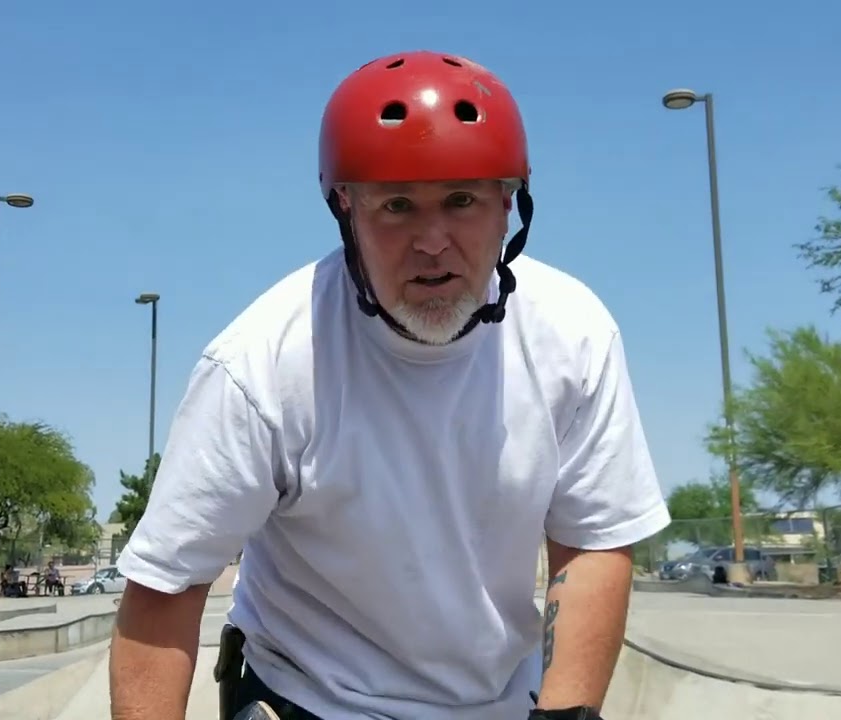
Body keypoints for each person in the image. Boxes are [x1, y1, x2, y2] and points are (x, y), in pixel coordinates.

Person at [109, 49, 671, 720]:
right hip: (310, 697)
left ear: (506, 205)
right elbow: (167, 588)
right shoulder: (262, 363)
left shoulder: (574, 337)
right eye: (398, 206)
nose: (432, 242)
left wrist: (565, 715)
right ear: (346, 208)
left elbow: (593, 541)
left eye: (461, 201)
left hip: (500, 701)